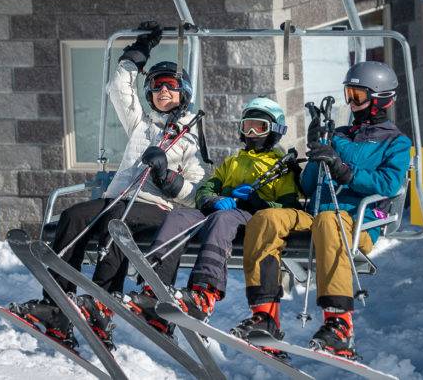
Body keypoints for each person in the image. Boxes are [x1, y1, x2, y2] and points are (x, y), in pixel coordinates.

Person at [10, 21, 208, 349]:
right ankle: (57, 306)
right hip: (119, 199)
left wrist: (166, 178)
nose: (163, 92)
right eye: (157, 87)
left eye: (170, 87)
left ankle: (102, 302)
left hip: (158, 210)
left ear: (182, 92)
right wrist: (137, 52)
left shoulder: (192, 134)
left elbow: (197, 194)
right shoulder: (142, 125)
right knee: (73, 216)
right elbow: (118, 88)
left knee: (119, 225)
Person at [232, 61, 412, 359]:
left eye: (358, 96)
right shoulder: (338, 135)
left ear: (381, 100)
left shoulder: (395, 142)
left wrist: (342, 169)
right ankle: (265, 316)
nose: (351, 104)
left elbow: (389, 183)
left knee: (330, 220)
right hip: (317, 215)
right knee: (267, 218)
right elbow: (308, 184)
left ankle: (339, 324)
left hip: (358, 220)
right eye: (348, 94)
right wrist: (317, 149)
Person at [125, 97, 302, 335]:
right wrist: (215, 199)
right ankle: (155, 289)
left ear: (275, 131)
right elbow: (207, 189)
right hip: (225, 211)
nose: (251, 132)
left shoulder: (281, 166)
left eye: (259, 127)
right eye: (247, 126)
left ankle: (203, 293)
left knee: (223, 219)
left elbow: (288, 206)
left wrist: (257, 201)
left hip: (253, 217)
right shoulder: (233, 161)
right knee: (179, 216)